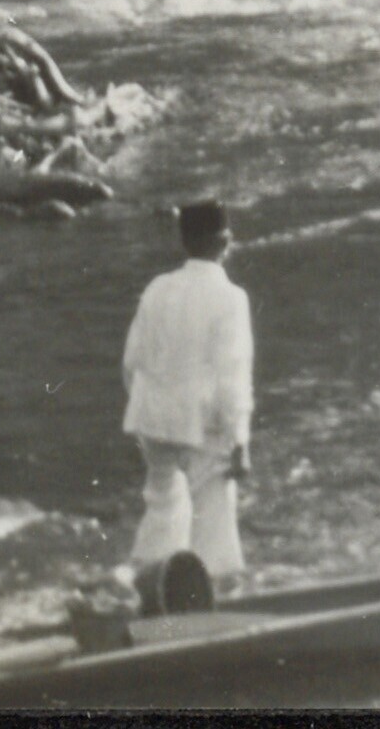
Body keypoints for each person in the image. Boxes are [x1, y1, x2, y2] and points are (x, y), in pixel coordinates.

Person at [121, 198, 254, 585]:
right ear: (226, 241)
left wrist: (147, 407)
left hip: (153, 418)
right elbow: (232, 375)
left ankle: (149, 585)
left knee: (162, 505)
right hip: (202, 422)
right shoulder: (231, 298)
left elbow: (132, 361)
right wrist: (239, 440)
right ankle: (217, 591)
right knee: (213, 517)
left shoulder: (157, 288)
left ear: (183, 241)